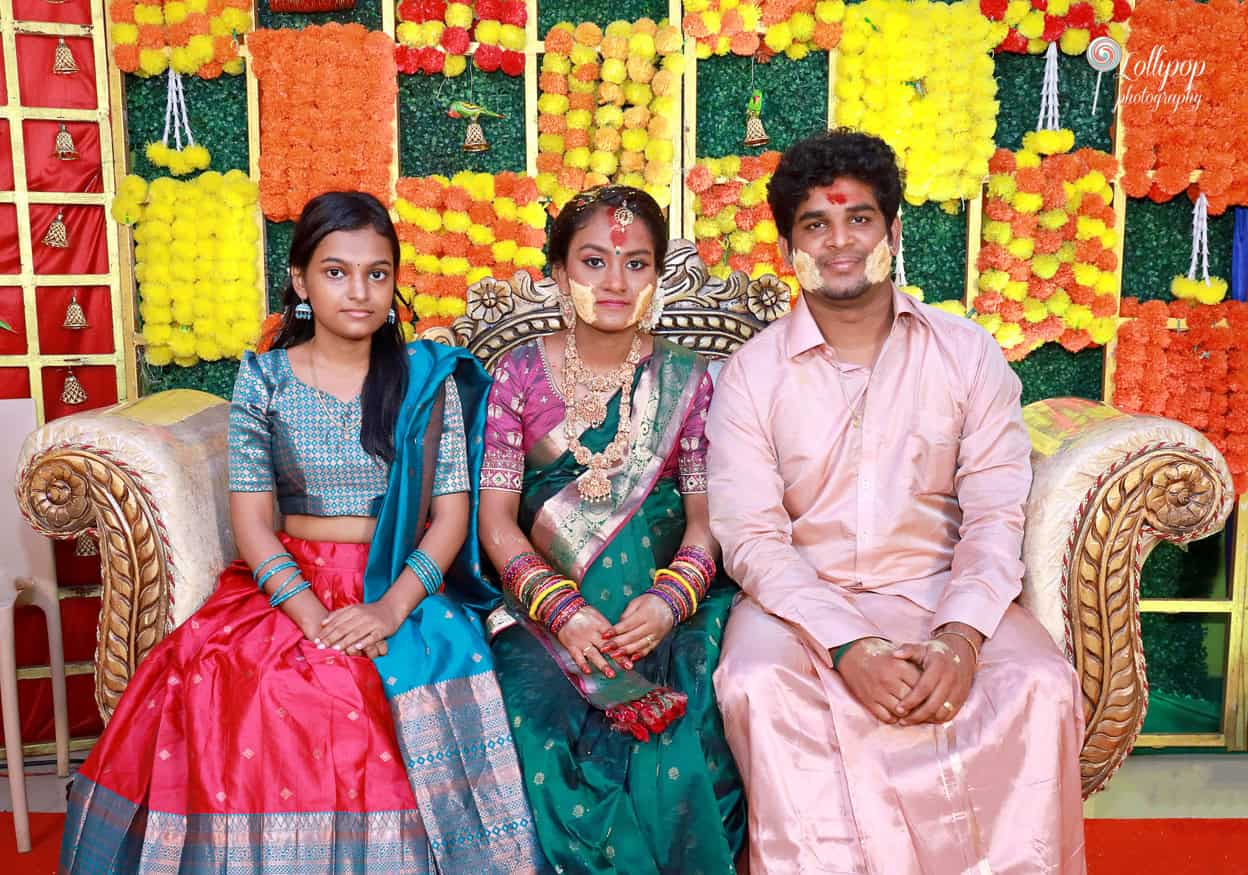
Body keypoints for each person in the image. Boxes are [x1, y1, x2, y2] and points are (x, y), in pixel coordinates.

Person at [60, 191, 546, 873]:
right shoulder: (264, 379)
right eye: (336, 271)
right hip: (292, 584)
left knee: (404, 679)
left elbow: (451, 518)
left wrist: (387, 608)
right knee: (248, 679)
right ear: (300, 281)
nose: (359, 291)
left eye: (378, 273)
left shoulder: (425, 380)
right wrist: (315, 617)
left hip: (403, 582)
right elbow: (254, 525)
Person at [706, 130, 1087, 874]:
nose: (839, 242)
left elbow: (996, 513)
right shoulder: (751, 376)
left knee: (1039, 683)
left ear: (893, 231)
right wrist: (847, 645)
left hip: (942, 590)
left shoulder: (967, 353)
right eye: (815, 224)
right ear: (789, 248)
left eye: (860, 220)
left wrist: (961, 636)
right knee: (756, 684)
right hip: (801, 609)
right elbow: (752, 537)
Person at [476, 185, 746, 874]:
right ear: (560, 275)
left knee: (685, 742)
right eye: (594, 262)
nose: (616, 282)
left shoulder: (690, 380)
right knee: (538, 734)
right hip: (543, 613)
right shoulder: (518, 374)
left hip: (665, 615)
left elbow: (703, 522)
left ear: (657, 275)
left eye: (636, 263)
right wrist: (563, 613)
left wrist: (668, 603)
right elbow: (496, 522)